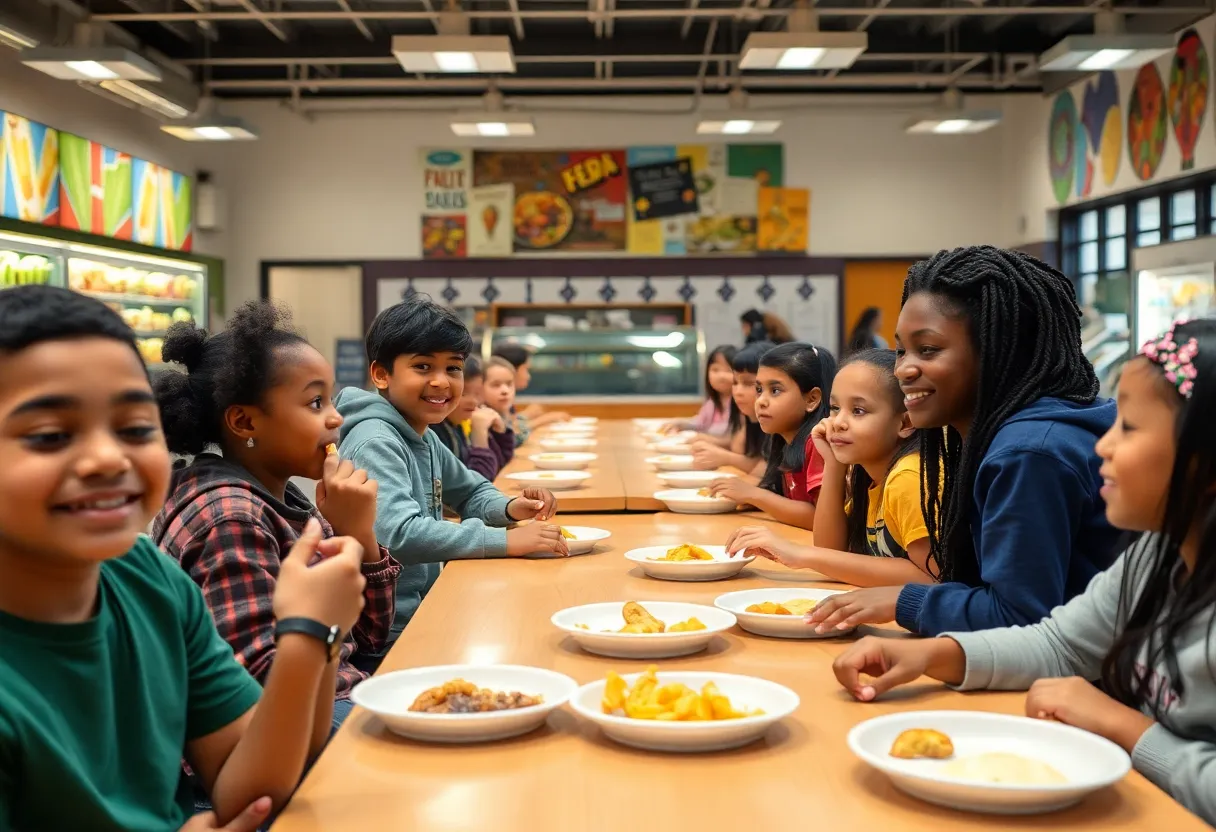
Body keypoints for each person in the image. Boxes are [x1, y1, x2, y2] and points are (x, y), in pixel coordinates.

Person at [0, 286, 367, 831]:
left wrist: (316, 631)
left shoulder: (148, 581)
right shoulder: (226, 513)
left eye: (133, 427)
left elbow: (253, 787)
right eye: (52, 434)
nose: (108, 457)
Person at [831, 318, 1216, 827]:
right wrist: (929, 654)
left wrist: (1124, 725)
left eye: (1130, 427)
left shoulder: (1030, 449)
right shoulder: (1156, 556)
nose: (1102, 445)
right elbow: (1060, 644)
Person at [807, 246, 1123, 636]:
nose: (903, 368)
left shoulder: (1030, 452)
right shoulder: (996, 435)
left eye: (928, 349)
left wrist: (899, 600)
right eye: (903, 349)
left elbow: (1021, 617)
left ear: (997, 350)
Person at [151, 301, 400, 711]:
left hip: (329, 697)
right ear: (245, 423)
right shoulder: (230, 517)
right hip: (293, 724)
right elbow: (266, 694)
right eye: (315, 403)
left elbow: (368, 639)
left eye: (330, 399)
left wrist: (359, 534)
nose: (336, 419)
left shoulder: (282, 497)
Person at [335, 297, 567, 649]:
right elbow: (397, 535)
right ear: (381, 374)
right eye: (423, 367)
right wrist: (504, 541)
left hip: (427, 605)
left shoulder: (418, 431)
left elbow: (471, 491)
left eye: (453, 368)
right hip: (390, 632)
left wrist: (508, 508)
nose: (442, 382)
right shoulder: (377, 440)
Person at [726, 349, 932, 587]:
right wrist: (834, 464)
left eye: (858, 411)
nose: (838, 422)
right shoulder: (867, 474)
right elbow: (831, 548)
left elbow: (931, 579)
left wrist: (800, 554)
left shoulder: (907, 477)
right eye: (835, 408)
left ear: (905, 422)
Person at [707, 341, 836, 530]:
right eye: (759, 390)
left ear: (812, 399)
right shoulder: (782, 439)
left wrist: (754, 495)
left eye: (775, 390)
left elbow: (819, 519)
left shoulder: (818, 442)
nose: (760, 401)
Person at [691, 341, 770, 472]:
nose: (737, 391)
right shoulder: (747, 415)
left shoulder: (776, 425)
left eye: (748, 383)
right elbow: (737, 447)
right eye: (735, 382)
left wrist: (724, 457)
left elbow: (761, 471)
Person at [433, 356, 514, 481]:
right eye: (463, 393)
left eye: (477, 393)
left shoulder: (458, 424)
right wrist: (479, 435)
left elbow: (502, 463)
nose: (473, 401)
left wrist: (500, 433)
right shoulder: (436, 432)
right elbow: (475, 485)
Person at [491, 342, 569, 438]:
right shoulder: (495, 400)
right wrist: (542, 420)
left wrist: (525, 415)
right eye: (526, 369)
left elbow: (510, 422)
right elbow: (511, 435)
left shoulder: (506, 400)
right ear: (512, 370)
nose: (528, 376)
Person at [663, 345, 736, 437]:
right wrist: (681, 424)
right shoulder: (712, 402)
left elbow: (727, 433)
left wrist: (703, 437)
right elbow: (701, 423)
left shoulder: (741, 402)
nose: (721, 376)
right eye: (715, 370)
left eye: (729, 370)